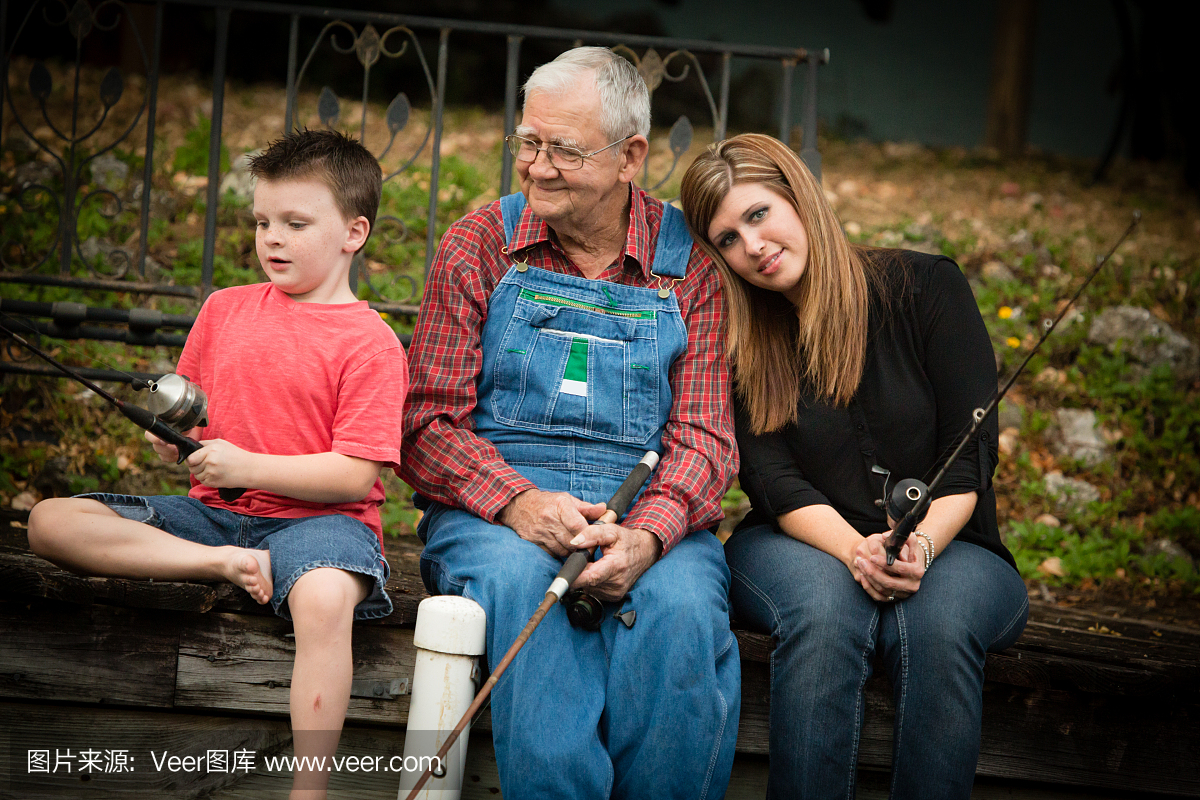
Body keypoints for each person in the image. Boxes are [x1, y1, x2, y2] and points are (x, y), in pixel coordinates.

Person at [27, 129, 408, 800]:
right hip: (215, 519)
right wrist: (170, 435)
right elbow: (197, 420)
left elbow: (354, 475)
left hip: (323, 526)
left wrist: (247, 467)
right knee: (51, 522)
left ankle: (308, 791)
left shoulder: (371, 344)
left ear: (354, 232)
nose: (273, 239)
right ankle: (225, 567)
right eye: (263, 221)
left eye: (295, 223)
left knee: (323, 598)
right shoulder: (225, 309)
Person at [401, 47, 740, 799]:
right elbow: (428, 425)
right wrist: (521, 503)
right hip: (496, 506)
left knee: (680, 608)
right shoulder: (481, 244)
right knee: (527, 585)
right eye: (529, 142)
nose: (538, 166)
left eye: (565, 150)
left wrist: (646, 535)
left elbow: (705, 442)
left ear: (631, 157)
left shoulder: (690, 268)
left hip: (644, 505)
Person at [679, 133, 1029, 800]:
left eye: (758, 215)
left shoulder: (926, 288)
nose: (750, 246)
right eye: (726, 239)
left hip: (955, 545)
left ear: (799, 199)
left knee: (937, 621)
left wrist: (919, 545)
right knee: (825, 608)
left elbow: (970, 452)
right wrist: (856, 551)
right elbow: (772, 478)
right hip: (798, 539)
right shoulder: (743, 342)